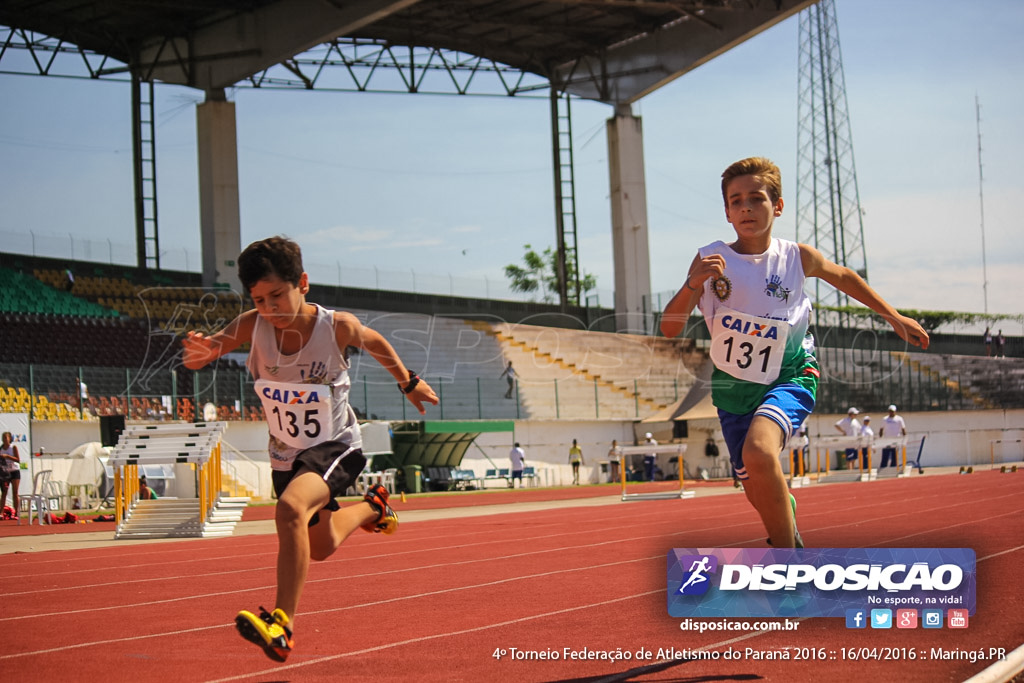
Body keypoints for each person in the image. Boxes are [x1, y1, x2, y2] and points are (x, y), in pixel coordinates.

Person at [182, 236, 438, 662]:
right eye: (259, 299)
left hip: (335, 445)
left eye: (277, 296)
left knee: (288, 510)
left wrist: (408, 381)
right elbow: (212, 347)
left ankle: (281, 624)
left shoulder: (337, 327)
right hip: (287, 454)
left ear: (303, 283)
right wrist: (202, 353)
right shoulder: (252, 325)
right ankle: (373, 508)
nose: (269, 309)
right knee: (319, 547)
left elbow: (374, 342)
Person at [659, 157, 929, 549]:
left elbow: (845, 276)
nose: (746, 207)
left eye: (757, 198)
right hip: (733, 389)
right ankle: (787, 526)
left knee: (759, 450)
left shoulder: (796, 257)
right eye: (736, 201)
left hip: (790, 374)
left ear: (778, 206)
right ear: (727, 212)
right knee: (758, 491)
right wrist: (690, 285)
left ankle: (788, 566)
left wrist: (892, 315)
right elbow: (670, 328)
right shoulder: (710, 260)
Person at [0, 432, 21, 522]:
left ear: (10, 438)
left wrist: (8, 456)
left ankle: (17, 513)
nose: (5, 439)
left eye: (6, 437)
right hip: (5, 472)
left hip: (14, 471)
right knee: (4, 492)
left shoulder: (13, 447)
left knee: (15, 492)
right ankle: (1, 513)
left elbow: (18, 459)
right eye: (3, 437)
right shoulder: (1, 448)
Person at [879, 404, 907, 469]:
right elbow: (881, 429)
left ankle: (893, 468)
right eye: (890, 411)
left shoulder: (899, 419)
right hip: (887, 440)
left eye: (892, 411)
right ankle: (883, 468)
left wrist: (904, 438)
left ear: (895, 411)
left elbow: (903, 429)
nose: (891, 413)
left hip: (896, 440)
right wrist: (881, 438)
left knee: (895, 456)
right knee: (885, 455)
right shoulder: (885, 419)